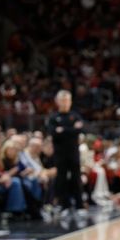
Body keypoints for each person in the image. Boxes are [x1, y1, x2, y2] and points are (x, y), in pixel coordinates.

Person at [46, 90, 88, 218]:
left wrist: (63, 130)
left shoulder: (75, 115)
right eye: (62, 100)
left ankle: (80, 205)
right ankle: (64, 206)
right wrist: (71, 129)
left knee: (76, 178)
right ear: (57, 102)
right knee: (61, 179)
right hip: (60, 154)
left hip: (74, 153)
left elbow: (80, 129)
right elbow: (53, 132)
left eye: (67, 100)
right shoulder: (53, 117)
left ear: (70, 102)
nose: (65, 103)